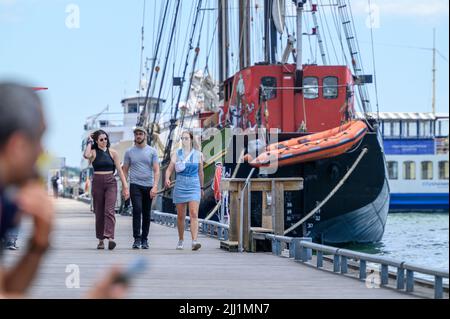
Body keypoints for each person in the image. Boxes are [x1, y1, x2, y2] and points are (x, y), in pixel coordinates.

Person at [84, 130, 129, 250]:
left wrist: (125, 187)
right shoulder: (93, 152)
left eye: (106, 139)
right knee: (99, 212)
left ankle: (110, 238)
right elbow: (86, 155)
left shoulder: (113, 153)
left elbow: (119, 171)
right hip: (97, 182)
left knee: (109, 210)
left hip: (111, 182)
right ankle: (100, 240)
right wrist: (89, 141)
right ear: (97, 141)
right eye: (101, 139)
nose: (104, 141)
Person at [165, 130, 204, 251]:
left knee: (193, 213)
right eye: (182, 138)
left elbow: (200, 172)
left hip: (194, 184)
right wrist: (167, 178)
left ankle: (194, 241)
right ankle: (181, 239)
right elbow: (169, 169)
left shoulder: (198, 154)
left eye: (186, 138)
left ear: (191, 139)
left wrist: (201, 187)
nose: (184, 140)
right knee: (181, 216)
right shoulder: (177, 154)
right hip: (180, 184)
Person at [122, 127, 160, 250]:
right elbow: (125, 170)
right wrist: (125, 187)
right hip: (135, 185)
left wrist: (155, 186)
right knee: (137, 210)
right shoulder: (129, 152)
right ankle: (136, 239)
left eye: (140, 134)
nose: (138, 136)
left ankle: (145, 239)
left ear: (145, 135)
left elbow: (156, 170)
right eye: (136, 134)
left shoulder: (152, 151)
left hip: (149, 186)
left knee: (147, 213)